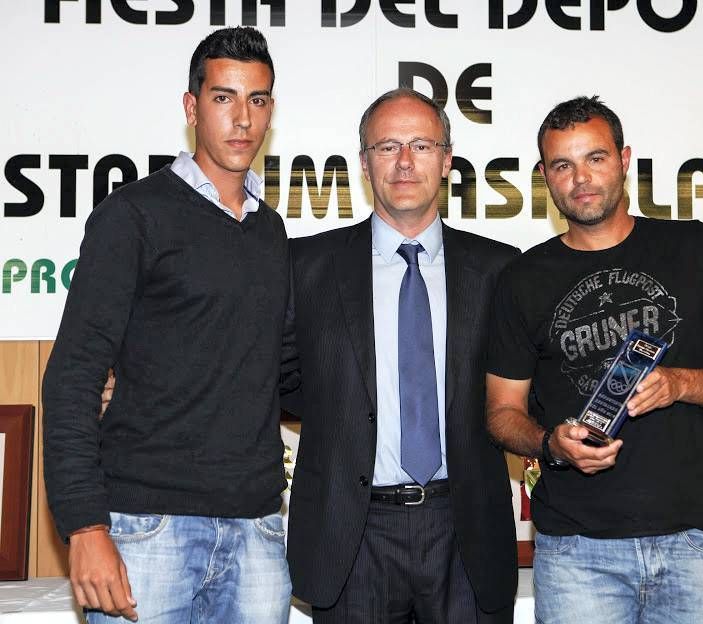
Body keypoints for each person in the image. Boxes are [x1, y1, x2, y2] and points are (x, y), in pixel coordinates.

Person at [485, 95, 703, 624]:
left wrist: (680, 383)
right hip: (575, 552)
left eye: (595, 157)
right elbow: (502, 413)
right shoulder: (521, 279)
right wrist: (551, 444)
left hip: (690, 542)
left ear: (624, 159)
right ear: (544, 177)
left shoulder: (694, 247)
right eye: (562, 165)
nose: (581, 178)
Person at [43, 27, 296, 623]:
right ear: (191, 106)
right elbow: (74, 376)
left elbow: (279, 373)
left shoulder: (270, 231)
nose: (242, 119)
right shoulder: (132, 216)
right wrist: (84, 525)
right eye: (223, 98)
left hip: (258, 531)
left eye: (257, 100)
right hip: (145, 532)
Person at [283, 88, 518, 623]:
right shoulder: (308, 266)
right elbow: (282, 376)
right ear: (364, 163)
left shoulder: (501, 271)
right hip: (351, 535)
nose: (406, 162)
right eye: (388, 147)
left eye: (421, 145)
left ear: (448, 160)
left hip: (466, 533)